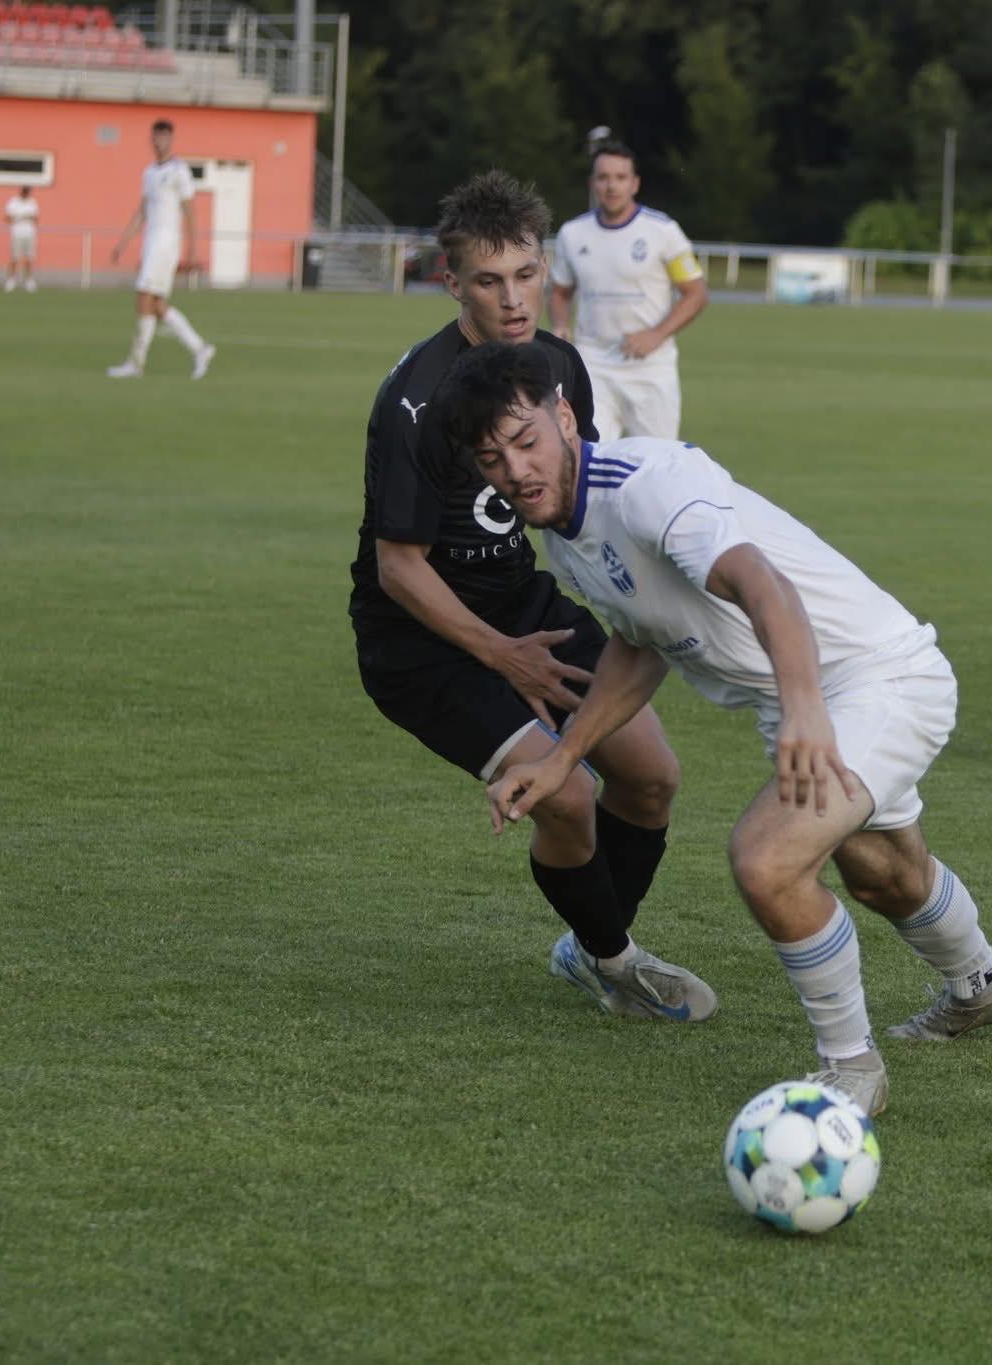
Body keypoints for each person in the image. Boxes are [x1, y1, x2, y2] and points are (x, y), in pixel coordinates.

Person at [455, 343, 992, 1117]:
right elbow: (641, 639)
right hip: (814, 694)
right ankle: (984, 987)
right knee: (881, 873)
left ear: (564, 417)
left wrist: (802, 710)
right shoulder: (563, 535)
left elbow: (765, 586)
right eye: (493, 459)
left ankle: (851, 1067)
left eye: (526, 440)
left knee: (766, 859)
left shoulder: (647, 487)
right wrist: (563, 760)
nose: (517, 470)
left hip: (879, 679)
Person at [349, 170, 712, 1024]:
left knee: (652, 778)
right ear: (451, 281)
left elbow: (577, 506)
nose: (513, 299)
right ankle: (618, 963)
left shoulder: (558, 368)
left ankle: (590, 943)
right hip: (417, 636)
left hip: (521, 602)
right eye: (487, 279)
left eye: (524, 274)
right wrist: (502, 656)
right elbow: (399, 567)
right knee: (569, 792)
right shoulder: (413, 403)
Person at [548, 141, 708, 441]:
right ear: (592, 183)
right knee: (590, 457)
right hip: (593, 364)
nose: (612, 186)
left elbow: (695, 292)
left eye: (620, 178)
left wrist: (656, 335)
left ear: (634, 184)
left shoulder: (662, 231)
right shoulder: (572, 234)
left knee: (655, 465)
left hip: (649, 369)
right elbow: (559, 291)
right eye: (603, 177)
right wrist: (559, 324)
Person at [107, 119, 215, 379]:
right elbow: (142, 211)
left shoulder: (179, 171)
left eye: (165, 136)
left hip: (166, 243)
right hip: (150, 242)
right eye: (156, 136)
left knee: (144, 298)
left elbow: (190, 211)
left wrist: (192, 249)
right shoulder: (149, 173)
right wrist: (123, 244)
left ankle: (136, 364)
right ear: (151, 139)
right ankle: (199, 348)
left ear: (171, 139)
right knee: (155, 304)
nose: (160, 141)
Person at [4, 186, 40, 293]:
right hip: (17, 234)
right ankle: (11, 281)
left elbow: (35, 218)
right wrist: (23, 216)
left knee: (29, 258)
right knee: (14, 258)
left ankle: (28, 281)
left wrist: (20, 217)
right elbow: (8, 218)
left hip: (29, 234)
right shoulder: (13, 202)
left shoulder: (32, 202)